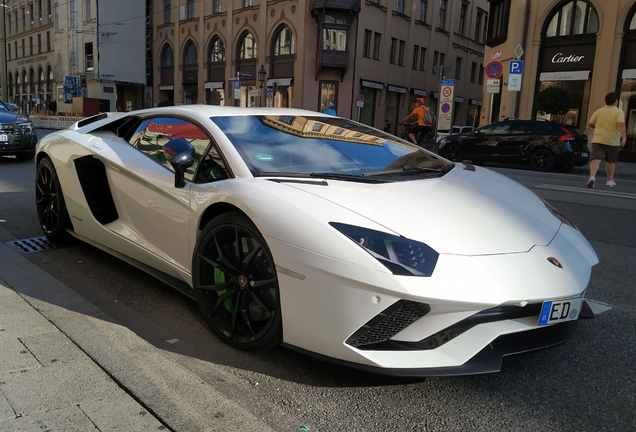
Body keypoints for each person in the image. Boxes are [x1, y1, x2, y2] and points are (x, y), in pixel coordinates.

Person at [586, 92, 627, 188]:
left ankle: (592, 177)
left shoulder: (599, 111)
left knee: (595, 159)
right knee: (611, 161)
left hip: (598, 139)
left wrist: (596, 126)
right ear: (616, 101)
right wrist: (624, 137)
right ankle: (609, 180)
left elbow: (590, 123)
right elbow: (621, 125)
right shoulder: (618, 112)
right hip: (612, 140)